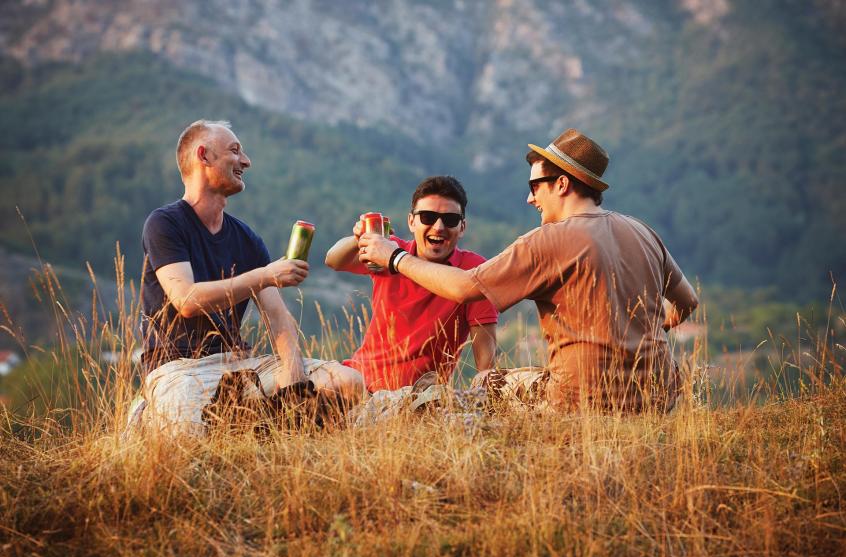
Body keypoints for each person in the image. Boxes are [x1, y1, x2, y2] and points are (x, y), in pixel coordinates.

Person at [358, 129, 699, 412]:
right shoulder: (643, 232)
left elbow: (463, 287)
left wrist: (394, 257)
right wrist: (640, 338)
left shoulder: (547, 240)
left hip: (581, 403)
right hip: (660, 399)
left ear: (562, 184)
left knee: (483, 382)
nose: (530, 198)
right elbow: (688, 303)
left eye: (535, 186)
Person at [138, 119, 364, 435]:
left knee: (349, 383)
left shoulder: (247, 238)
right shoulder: (165, 223)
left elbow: (276, 315)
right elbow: (186, 300)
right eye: (235, 151)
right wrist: (264, 275)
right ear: (203, 156)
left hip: (238, 364)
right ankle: (156, 416)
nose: (246, 161)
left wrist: (294, 378)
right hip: (179, 369)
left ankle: (260, 421)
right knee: (189, 433)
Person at [325, 176, 498, 391]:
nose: (438, 227)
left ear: (462, 227)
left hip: (410, 398)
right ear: (411, 222)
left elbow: (486, 362)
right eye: (427, 217)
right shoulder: (388, 249)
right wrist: (358, 237)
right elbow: (333, 260)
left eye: (450, 220)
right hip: (355, 380)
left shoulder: (473, 270)